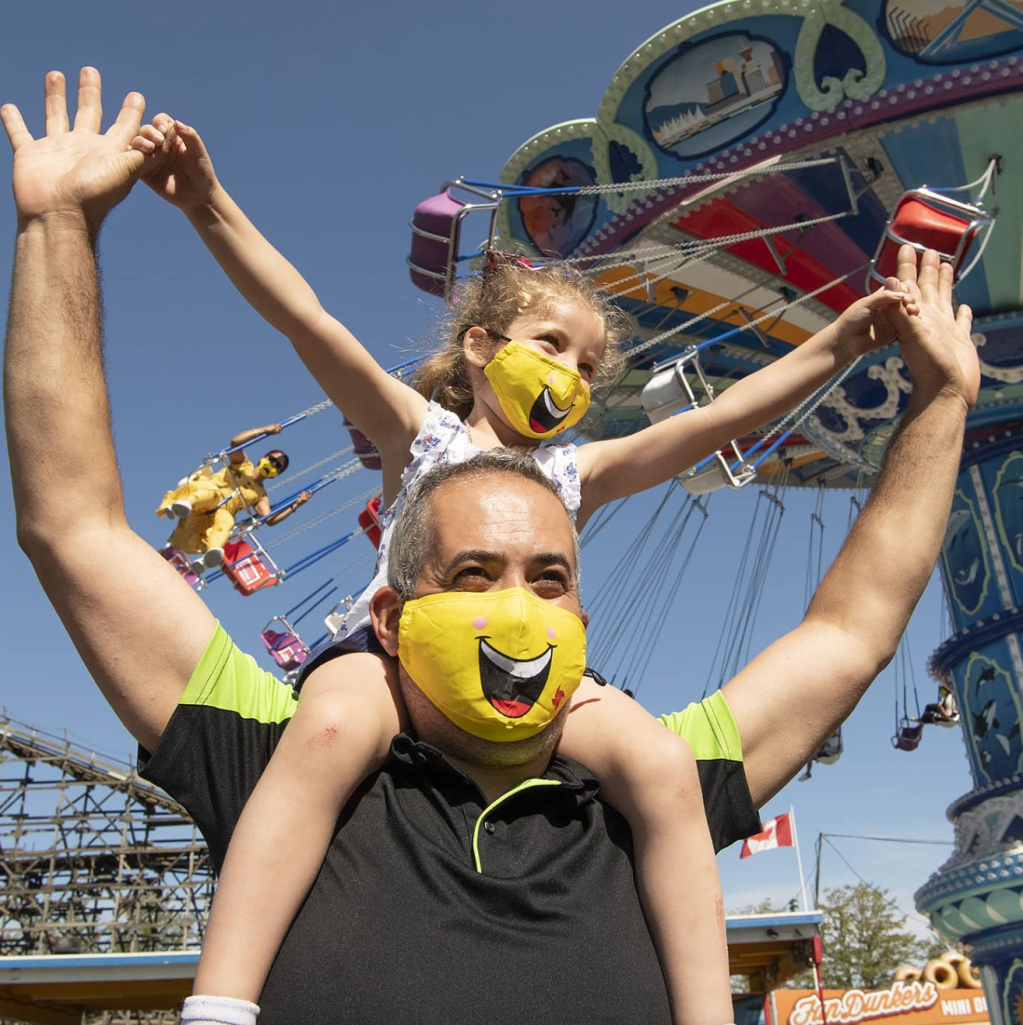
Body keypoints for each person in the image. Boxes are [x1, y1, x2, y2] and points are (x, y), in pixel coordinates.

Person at [3, 68, 978, 1025]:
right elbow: (306, 320)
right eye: (551, 343)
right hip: (380, 669)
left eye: (588, 365)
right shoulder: (419, 433)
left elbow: (719, 425)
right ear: (479, 345)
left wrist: (846, 341)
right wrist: (205, 204)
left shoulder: (579, 470)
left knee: (662, 765)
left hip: (552, 694)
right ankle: (221, 997)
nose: (570, 374)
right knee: (333, 725)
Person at [157, 424, 311, 569]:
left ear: (277, 474)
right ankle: (185, 504)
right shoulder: (243, 464)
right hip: (209, 492)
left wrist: (296, 505)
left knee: (227, 522)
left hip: (218, 513)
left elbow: (269, 519)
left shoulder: (261, 495)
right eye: (272, 459)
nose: (273, 464)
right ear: (265, 457)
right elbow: (235, 442)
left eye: (278, 466)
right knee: (211, 495)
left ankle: (211, 555)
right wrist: (265, 430)